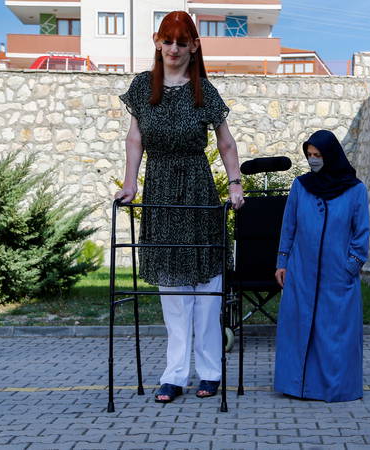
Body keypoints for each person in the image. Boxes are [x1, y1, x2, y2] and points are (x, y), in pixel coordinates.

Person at [114, 11, 244, 403]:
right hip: (160, 190)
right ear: (157, 42)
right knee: (171, 288)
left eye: (181, 42)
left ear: (194, 46)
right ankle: (173, 374)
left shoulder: (203, 89)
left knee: (205, 286)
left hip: (197, 189)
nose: (173, 48)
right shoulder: (142, 87)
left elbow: (226, 143)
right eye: (167, 41)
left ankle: (210, 371)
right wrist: (130, 183)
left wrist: (235, 184)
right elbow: (134, 140)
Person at [274, 129, 370, 402]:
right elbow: (289, 226)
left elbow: (361, 235)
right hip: (301, 272)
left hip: (337, 276)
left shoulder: (355, 190)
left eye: (318, 155)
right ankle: (296, 386)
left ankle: (334, 388)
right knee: (300, 326)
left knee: (334, 332)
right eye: (309, 155)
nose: (313, 160)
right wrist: (282, 262)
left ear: (331, 155)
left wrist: (349, 268)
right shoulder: (301, 186)